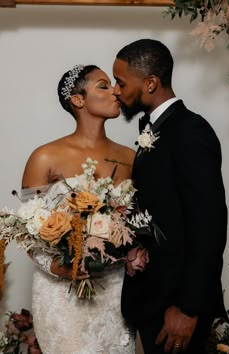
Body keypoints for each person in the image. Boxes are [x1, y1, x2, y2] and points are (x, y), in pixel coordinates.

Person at [112, 39, 228, 354]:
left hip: (176, 307)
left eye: (121, 82)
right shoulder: (157, 129)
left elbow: (209, 225)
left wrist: (188, 308)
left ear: (150, 83)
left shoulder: (189, 130)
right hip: (155, 301)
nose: (115, 91)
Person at [21, 64, 136, 354]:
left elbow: (138, 224)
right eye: (103, 85)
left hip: (115, 292)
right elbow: (28, 230)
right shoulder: (44, 156)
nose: (115, 91)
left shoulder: (131, 157)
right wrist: (58, 267)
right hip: (62, 294)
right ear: (78, 99)